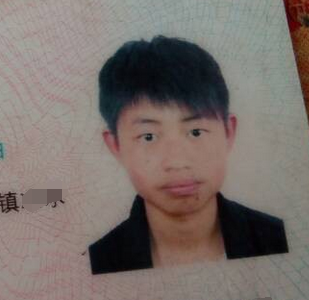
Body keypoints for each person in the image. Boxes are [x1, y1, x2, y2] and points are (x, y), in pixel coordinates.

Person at [89, 36, 288, 275]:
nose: (177, 162)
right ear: (115, 146)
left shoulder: (277, 239)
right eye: (149, 136)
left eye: (195, 132)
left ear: (228, 132)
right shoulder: (98, 262)